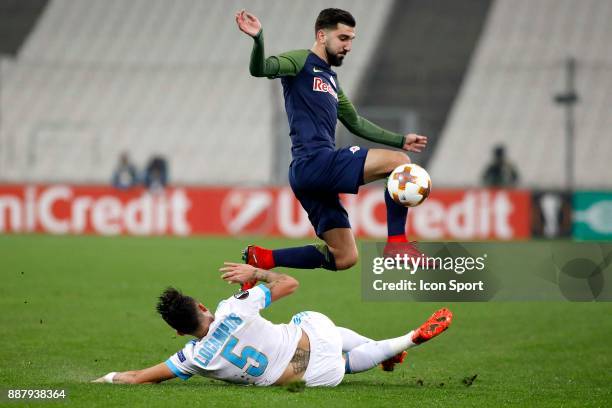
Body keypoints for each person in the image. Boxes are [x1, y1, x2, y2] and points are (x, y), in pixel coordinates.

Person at [235, 9, 429, 287]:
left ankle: (262, 258)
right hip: (314, 162)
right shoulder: (300, 61)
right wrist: (258, 39)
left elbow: (356, 123)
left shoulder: (331, 80)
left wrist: (400, 139)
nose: (348, 46)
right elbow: (261, 69)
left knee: (345, 256)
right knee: (400, 163)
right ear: (321, 35)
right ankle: (397, 243)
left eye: (351, 39)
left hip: (310, 176)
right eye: (343, 38)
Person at [92, 263, 452, 386]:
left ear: (179, 331)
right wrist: (256, 274)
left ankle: (402, 343)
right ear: (202, 306)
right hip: (310, 338)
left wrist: (102, 379)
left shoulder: (193, 359)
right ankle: (393, 344)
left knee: (341, 365)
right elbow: (290, 284)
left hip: (299, 375)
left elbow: (139, 378)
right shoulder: (233, 307)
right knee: (309, 321)